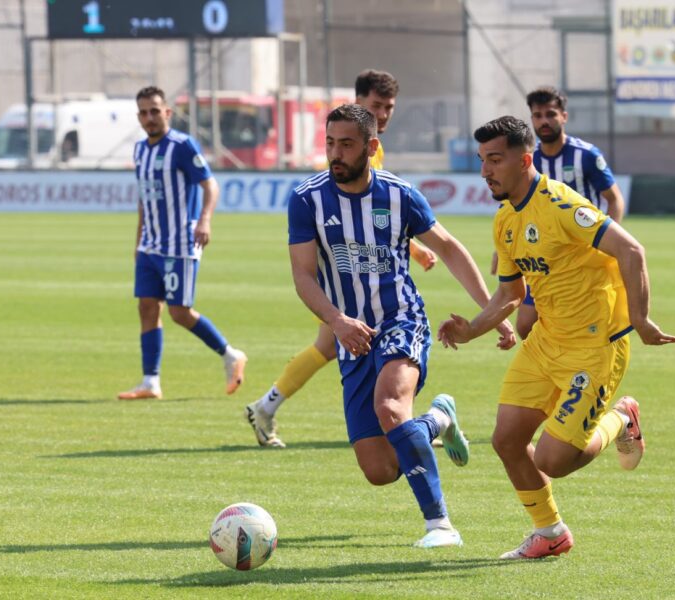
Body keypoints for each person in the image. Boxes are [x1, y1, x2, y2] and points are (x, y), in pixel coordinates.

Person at [438, 116, 675, 559]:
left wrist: (641, 319)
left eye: (495, 160)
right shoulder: (505, 220)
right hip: (546, 343)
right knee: (506, 441)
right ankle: (549, 533)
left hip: (595, 347)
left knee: (553, 460)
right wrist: (472, 329)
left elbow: (631, 250)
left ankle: (621, 419)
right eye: (482, 160)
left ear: (524, 160)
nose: (485, 171)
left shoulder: (562, 205)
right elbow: (510, 294)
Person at [287, 104, 515, 547]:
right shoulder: (306, 199)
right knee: (380, 470)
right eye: (330, 143)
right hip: (350, 336)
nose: (335, 153)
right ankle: (439, 419)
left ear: (371, 147)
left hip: (401, 320)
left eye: (346, 144)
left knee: (390, 408)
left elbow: (449, 249)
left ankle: (440, 525)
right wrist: (337, 321)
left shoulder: (400, 195)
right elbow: (303, 275)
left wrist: (491, 312)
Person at [246, 69, 437, 448]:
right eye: (376, 105)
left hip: (362, 267)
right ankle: (404, 424)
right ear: (359, 101)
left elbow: (377, 216)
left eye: (389, 107)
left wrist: (412, 247)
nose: (383, 113)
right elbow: (344, 210)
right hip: (340, 271)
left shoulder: (373, 147)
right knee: (334, 343)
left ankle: (267, 407)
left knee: (330, 347)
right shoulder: (347, 149)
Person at [116, 86, 247, 401]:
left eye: (155, 111)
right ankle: (150, 382)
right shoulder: (140, 150)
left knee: (179, 312)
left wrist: (205, 220)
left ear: (167, 112)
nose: (149, 117)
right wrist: (138, 240)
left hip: (180, 244)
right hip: (150, 244)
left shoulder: (182, 146)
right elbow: (145, 199)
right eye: (144, 112)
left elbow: (210, 185)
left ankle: (230, 355)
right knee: (147, 307)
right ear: (138, 117)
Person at [506, 86, 628, 340]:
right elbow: (515, 207)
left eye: (550, 114)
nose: (544, 121)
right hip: (544, 254)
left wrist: (608, 240)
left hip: (582, 256)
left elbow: (614, 199)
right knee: (526, 325)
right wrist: (504, 250)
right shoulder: (529, 160)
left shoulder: (586, 155)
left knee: (583, 325)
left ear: (564, 116)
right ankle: (552, 359)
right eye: (538, 115)